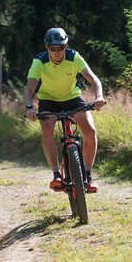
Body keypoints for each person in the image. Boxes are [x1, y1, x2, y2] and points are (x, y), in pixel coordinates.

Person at [24, 27, 106, 193]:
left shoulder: (74, 57)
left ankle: (88, 176)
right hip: (48, 101)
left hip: (73, 98)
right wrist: (29, 107)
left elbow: (95, 80)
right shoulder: (39, 61)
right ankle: (56, 174)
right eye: (53, 49)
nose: (57, 52)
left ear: (66, 47)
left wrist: (99, 97)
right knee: (47, 130)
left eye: (61, 48)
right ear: (47, 48)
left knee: (90, 131)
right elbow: (29, 90)